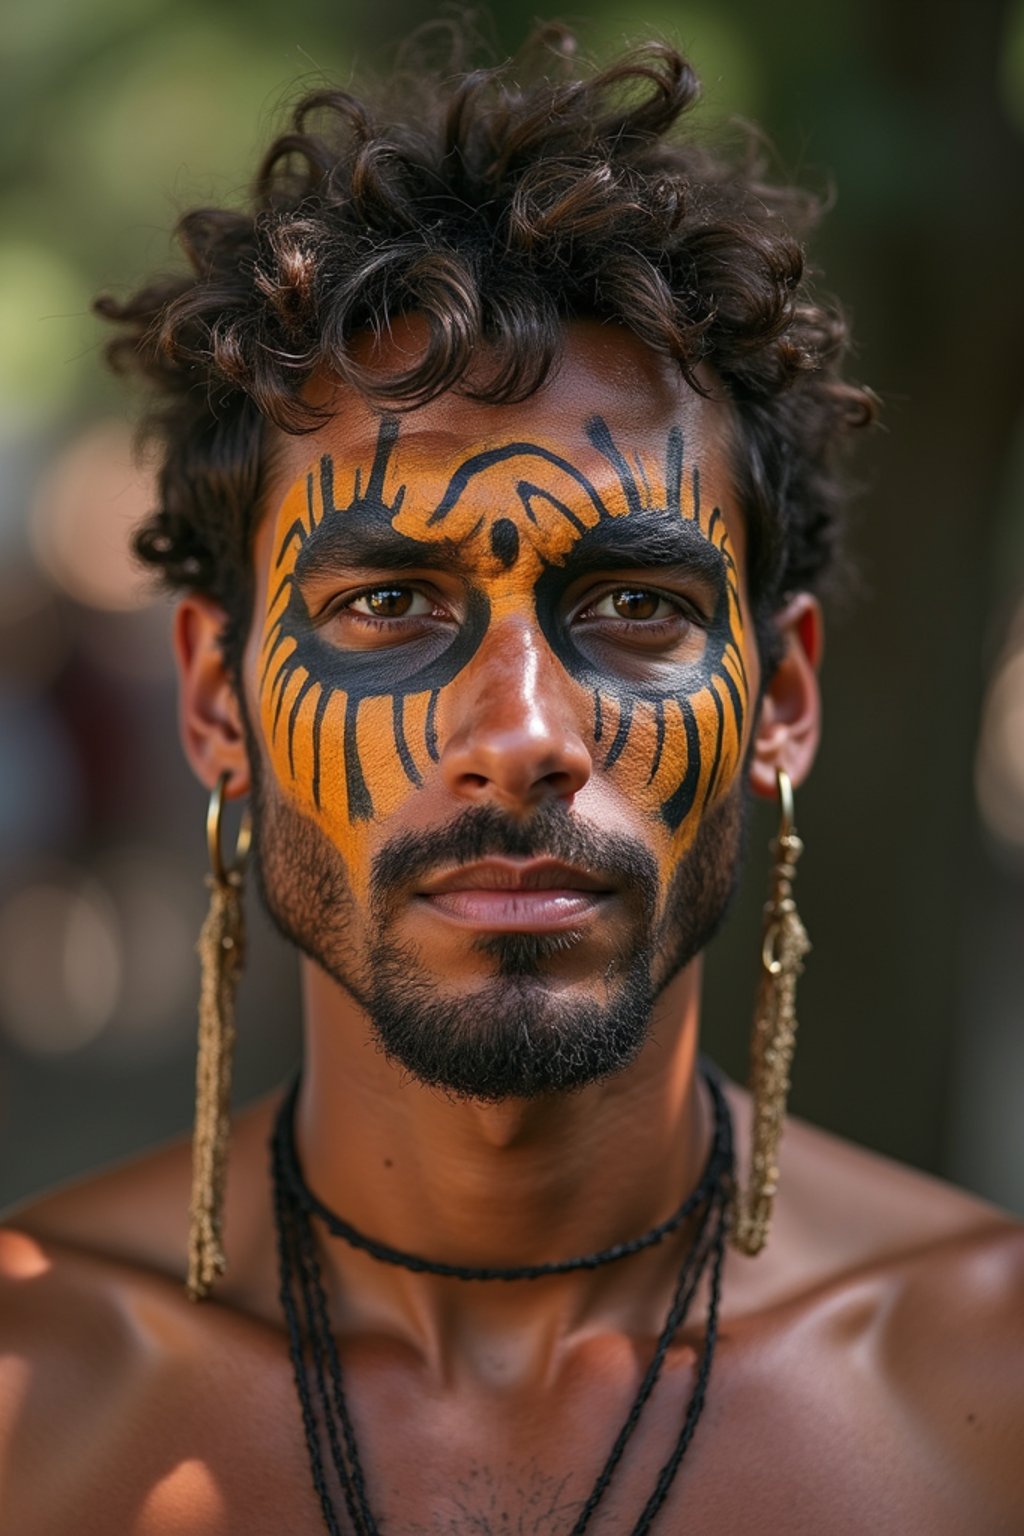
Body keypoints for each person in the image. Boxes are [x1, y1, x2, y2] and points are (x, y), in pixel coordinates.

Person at [1, 25, 1021, 1535]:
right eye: (389, 605)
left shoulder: (984, 1398)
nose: (522, 730)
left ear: (781, 701)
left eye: (634, 605)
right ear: (220, 703)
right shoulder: (33, 1395)